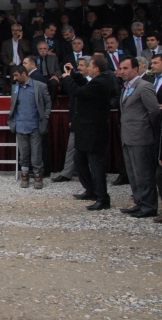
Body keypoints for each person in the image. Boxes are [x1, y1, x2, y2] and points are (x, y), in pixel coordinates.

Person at [61, 56, 113, 210]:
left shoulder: (101, 81)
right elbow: (84, 83)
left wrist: (66, 79)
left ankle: (102, 198)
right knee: (79, 159)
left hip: (94, 131)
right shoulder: (97, 80)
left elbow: (79, 91)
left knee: (96, 165)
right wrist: (73, 74)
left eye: (89, 66)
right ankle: (90, 190)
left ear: (96, 68)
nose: (87, 68)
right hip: (86, 130)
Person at [116, 58, 160, 218]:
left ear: (135, 69)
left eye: (126, 68)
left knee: (143, 174)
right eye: (121, 68)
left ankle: (149, 206)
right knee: (133, 173)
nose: (122, 71)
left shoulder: (144, 86)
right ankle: (140, 202)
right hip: (127, 136)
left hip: (141, 136)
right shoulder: (126, 88)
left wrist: (147, 128)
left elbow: (154, 111)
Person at [8, 66, 52, 189]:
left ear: (24, 73)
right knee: (24, 153)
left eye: (16, 75)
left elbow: (48, 103)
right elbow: (14, 104)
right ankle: (25, 176)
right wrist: (14, 123)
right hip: (20, 125)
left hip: (35, 125)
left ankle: (38, 177)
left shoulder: (40, 86)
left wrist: (46, 117)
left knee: (36, 153)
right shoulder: (15, 88)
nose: (14, 78)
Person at [53, 56, 91, 183]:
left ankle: (93, 174)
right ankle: (66, 173)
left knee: (91, 150)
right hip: (77, 119)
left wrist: (69, 76)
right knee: (71, 147)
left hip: (91, 122)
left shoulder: (96, 81)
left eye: (81, 65)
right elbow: (73, 98)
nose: (78, 67)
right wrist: (71, 73)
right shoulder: (80, 78)